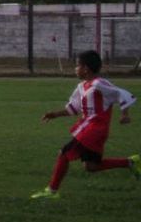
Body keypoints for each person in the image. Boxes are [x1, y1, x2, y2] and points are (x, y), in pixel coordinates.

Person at [31, 50, 140, 199]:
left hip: (95, 129)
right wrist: (54, 114)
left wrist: (125, 114)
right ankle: (130, 162)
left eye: (77, 65)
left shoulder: (99, 84)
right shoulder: (82, 87)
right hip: (90, 129)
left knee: (64, 153)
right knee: (91, 166)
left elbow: (122, 93)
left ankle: (52, 190)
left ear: (86, 68)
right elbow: (73, 108)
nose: (75, 69)